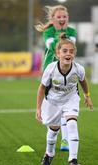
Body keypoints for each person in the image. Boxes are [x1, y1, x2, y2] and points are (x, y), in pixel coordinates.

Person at [36, 33, 93, 165]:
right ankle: (49, 154)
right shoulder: (50, 68)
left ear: (74, 54)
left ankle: (73, 160)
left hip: (71, 99)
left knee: (72, 124)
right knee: (54, 129)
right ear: (57, 54)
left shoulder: (78, 69)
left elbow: (83, 81)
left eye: (71, 51)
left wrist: (87, 95)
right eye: (65, 51)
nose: (68, 54)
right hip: (52, 102)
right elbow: (42, 88)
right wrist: (38, 108)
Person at [35, 5, 77, 151]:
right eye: (58, 17)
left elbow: (70, 47)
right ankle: (53, 132)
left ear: (68, 18)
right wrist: (59, 36)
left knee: (67, 104)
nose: (62, 19)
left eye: (64, 16)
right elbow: (55, 48)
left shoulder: (72, 31)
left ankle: (65, 140)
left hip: (67, 71)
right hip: (50, 70)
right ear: (53, 19)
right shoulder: (48, 32)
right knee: (53, 107)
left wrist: (63, 40)